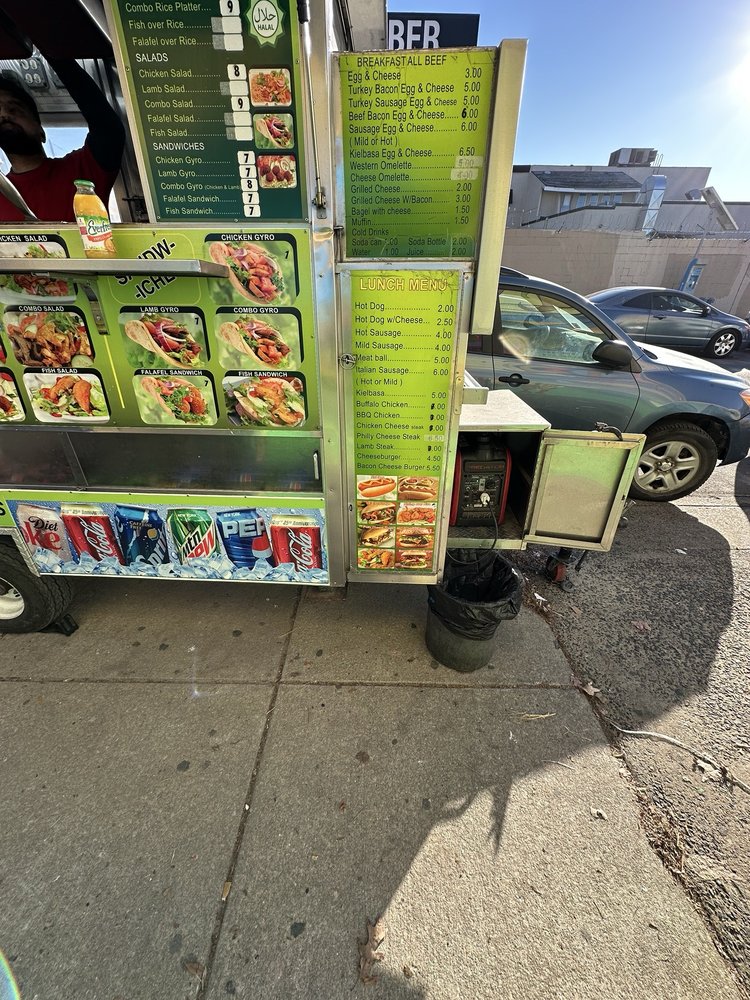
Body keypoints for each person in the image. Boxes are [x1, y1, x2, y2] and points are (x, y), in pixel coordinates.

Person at [0, 58, 125, 223]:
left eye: (15, 109)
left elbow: (108, 129)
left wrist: (56, 55)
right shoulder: (3, 195)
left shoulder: (82, 170)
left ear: (41, 131)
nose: (5, 115)